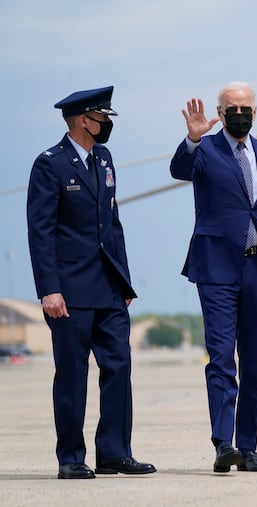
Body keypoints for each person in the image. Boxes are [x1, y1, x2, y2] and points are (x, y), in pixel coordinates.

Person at [170, 81, 257, 473]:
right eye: (232, 107)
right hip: (215, 268)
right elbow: (180, 170)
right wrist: (193, 139)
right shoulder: (207, 150)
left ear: (255, 111)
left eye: (245, 107)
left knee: (255, 359)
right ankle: (223, 443)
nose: (239, 113)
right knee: (220, 357)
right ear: (220, 110)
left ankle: (247, 446)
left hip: (256, 268)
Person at [26, 86, 156, 479]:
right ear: (83, 119)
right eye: (103, 117)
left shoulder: (105, 158)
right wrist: (49, 289)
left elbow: (112, 224)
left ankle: (115, 452)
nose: (108, 123)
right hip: (69, 290)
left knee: (119, 366)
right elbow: (40, 231)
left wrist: (125, 281)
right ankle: (71, 457)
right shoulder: (49, 164)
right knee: (72, 373)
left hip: (109, 287)